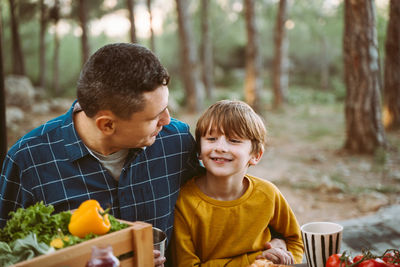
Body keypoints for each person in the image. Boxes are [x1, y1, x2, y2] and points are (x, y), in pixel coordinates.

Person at [0, 43, 201, 266]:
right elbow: (7, 252)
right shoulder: (28, 160)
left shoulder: (176, 141)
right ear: (106, 125)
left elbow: (207, 206)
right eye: (154, 117)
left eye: (165, 107)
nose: (167, 120)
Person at [172, 100, 304, 266]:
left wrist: (285, 258)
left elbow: (295, 240)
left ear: (256, 155)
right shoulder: (184, 202)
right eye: (211, 138)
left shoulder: (268, 194)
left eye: (234, 140)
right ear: (199, 150)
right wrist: (254, 259)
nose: (220, 147)